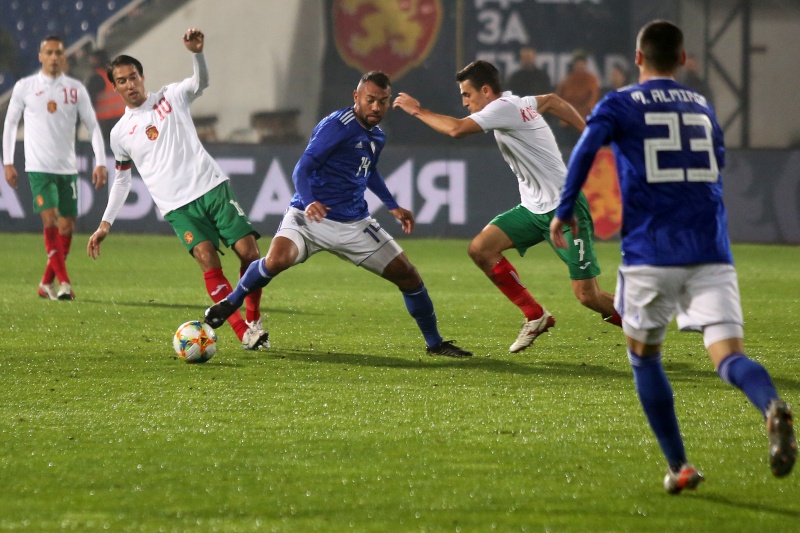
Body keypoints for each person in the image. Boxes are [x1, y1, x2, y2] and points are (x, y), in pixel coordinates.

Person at [550, 20, 796, 493]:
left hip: (651, 251)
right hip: (710, 251)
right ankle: (771, 405)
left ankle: (680, 465)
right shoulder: (701, 105)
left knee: (644, 359)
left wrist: (564, 209)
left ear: (638, 58)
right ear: (682, 60)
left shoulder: (620, 102)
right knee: (728, 357)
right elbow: (718, 162)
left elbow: (585, 149)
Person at [204, 71, 471, 358]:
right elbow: (301, 169)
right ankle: (231, 303)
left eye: (383, 101)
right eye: (370, 100)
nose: (376, 107)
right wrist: (309, 202)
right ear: (356, 97)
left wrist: (392, 205)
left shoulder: (377, 135)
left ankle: (435, 344)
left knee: (409, 276)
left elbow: (367, 171)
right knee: (275, 260)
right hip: (309, 218)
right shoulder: (336, 126)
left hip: (354, 224)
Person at [392, 60, 620, 354]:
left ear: (486, 91)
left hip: (565, 209)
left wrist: (417, 110)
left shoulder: (502, 108)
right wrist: (587, 130)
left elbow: (456, 130)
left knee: (589, 297)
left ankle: (643, 328)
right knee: (481, 248)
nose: (464, 102)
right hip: (533, 210)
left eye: (467, 94)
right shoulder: (518, 104)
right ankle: (535, 315)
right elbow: (552, 101)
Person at [86, 29, 268, 351]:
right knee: (207, 258)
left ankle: (253, 317)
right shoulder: (119, 134)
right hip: (178, 207)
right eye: (122, 81)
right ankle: (244, 333)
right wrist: (105, 224)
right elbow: (123, 180)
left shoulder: (171, 96)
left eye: (133, 77)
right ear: (114, 87)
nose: (130, 85)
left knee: (250, 254)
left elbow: (201, 83)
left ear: (142, 77)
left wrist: (197, 53)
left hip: (211, 188)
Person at [2, 35, 108, 300]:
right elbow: (10, 123)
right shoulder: (25, 87)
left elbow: (93, 126)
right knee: (49, 220)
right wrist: (8, 162)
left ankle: (45, 283)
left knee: (67, 227)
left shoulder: (75, 89)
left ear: (64, 57)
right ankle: (65, 283)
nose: (53, 57)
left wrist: (100, 161)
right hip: (38, 168)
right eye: (48, 52)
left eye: (58, 53)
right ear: (40, 56)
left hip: (67, 169)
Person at [555, 49, 600, 150]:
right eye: (577, 63)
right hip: (567, 122)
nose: (580, 65)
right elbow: (558, 99)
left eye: (582, 62)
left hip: (584, 122)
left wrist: (582, 116)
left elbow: (592, 102)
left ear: (585, 64)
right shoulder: (567, 80)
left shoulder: (591, 80)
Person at [84, 49, 126, 148]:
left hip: (105, 121)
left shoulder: (96, 78)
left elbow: (89, 101)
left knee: (106, 149)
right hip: (121, 117)